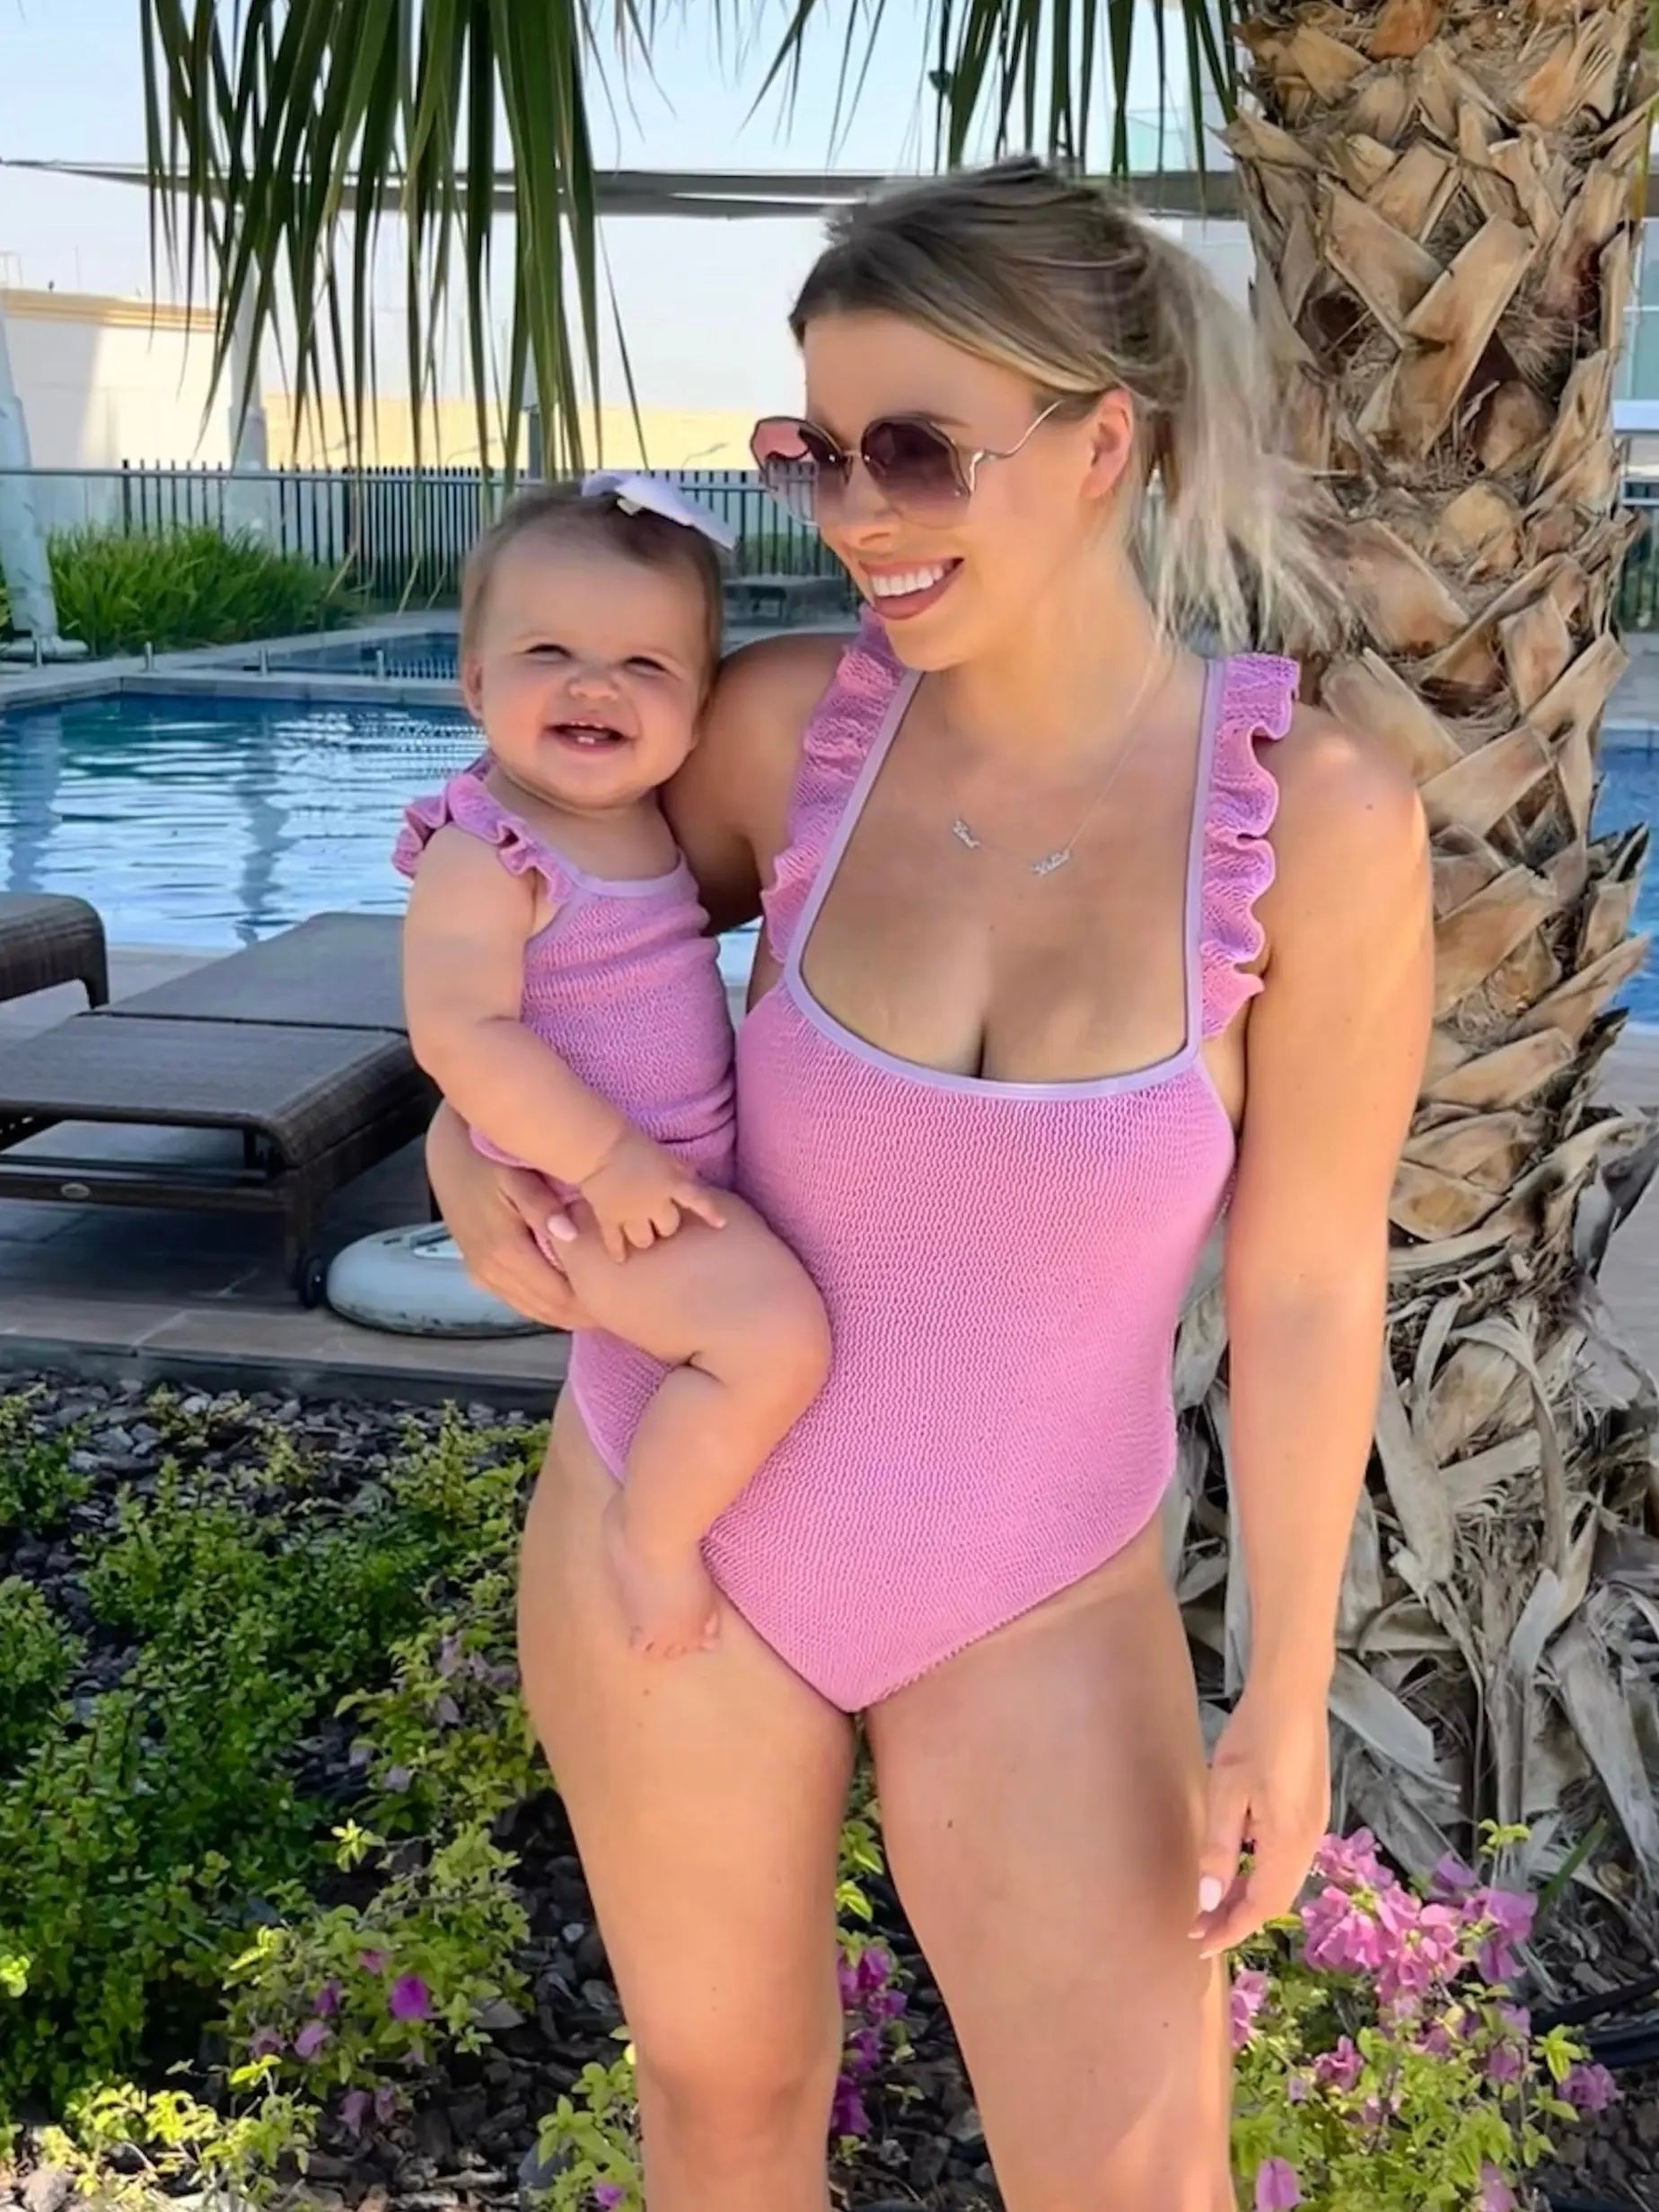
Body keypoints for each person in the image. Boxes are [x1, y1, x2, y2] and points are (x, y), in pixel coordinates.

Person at [427, 156, 1434, 2211]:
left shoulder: (1312, 821)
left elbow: (1312, 1280)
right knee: (725, 2114)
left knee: (1133, 2179)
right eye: (815, 454)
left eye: (915, 451)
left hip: (1036, 1585)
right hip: (672, 1526)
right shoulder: (783, 736)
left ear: (1102, 444)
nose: (855, 518)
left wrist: (1290, 1686)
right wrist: (468, 1144)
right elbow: (537, 926)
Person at [397, 477, 830, 1658]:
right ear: (474, 682)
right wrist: (606, 1161)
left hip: (652, 1176)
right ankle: (652, 1537)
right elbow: (458, 1032)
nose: (595, 686)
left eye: (645, 665)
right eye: (550, 652)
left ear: (697, 711)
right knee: (773, 1343)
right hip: (591, 1195)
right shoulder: (489, 852)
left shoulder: (639, 818)